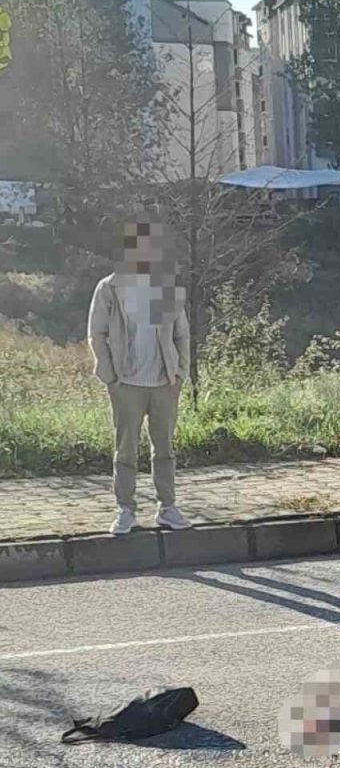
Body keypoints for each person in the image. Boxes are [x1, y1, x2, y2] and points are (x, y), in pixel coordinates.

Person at [87, 214, 191, 535]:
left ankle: (167, 508)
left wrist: (180, 373)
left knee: (165, 449)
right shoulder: (109, 288)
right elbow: (97, 334)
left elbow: (181, 334)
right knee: (126, 450)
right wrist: (109, 376)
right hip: (126, 384)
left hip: (163, 383)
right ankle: (125, 509)